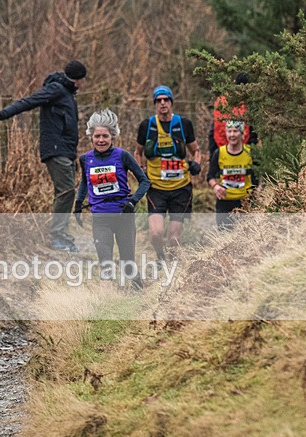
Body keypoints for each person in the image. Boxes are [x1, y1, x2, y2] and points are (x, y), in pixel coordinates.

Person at [0, 60, 87, 253]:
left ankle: (61, 234)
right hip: (56, 149)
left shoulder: (68, 94)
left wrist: (72, 155)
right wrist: (4, 114)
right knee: (66, 191)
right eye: (82, 79)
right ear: (77, 79)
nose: (83, 83)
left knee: (65, 192)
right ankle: (58, 237)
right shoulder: (56, 89)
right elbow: (30, 101)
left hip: (65, 150)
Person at [76, 109, 150, 289]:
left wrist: (132, 201)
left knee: (127, 265)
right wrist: (78, 203)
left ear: (112, 136)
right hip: (101, 217)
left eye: (105, 136)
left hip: (123, 216)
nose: (101, 140)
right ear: (91, 137)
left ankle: (139, 288)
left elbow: (144, 181)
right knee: (106, 264)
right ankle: (106, 301)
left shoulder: (122, 156)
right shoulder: (85, 159)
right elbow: (85, 182)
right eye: (97, 136)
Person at [134, 85, 202, 263]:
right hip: (156, 188)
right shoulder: (147, 126)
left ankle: (171, 267)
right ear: (155, 104)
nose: (162, 103)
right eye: (159, 100)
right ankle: (160, 257)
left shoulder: (184, 124)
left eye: (166, 100)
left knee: (173, 238)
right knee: (156, 234)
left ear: (171, 102)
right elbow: (137, 153)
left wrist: (196, 164)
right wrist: (141, 172)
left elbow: (196, 150)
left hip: (181, 189)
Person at [207, 121, 258, 229]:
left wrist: (259, 190)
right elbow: (210, 176)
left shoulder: (250, 152)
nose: (232, 135)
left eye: (235, 131)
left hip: (246, 202)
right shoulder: (219, 153)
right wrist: (216, 187)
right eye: (229, 131)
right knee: (225, 234)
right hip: (224, 202)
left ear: (242, 134)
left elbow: (261, 173)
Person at [208, 73, 258, 162]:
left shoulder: (221, 100)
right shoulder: (248, 104)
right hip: (240, 148)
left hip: (219, 146)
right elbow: (249, 131)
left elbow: (215, 127)